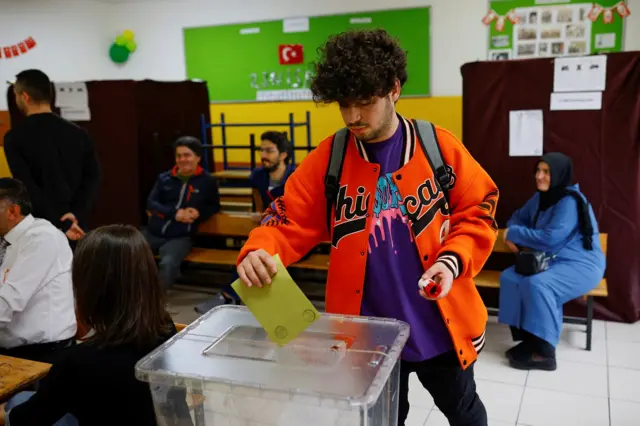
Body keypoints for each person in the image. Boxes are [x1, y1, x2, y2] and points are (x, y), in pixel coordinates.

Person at [235, 29, 499, 426]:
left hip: (441, 327)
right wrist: (259, 246)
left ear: (394, 89)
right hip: (367, 337)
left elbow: (479, 208)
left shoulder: (437, 146)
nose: (353, 116)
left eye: (365, 102)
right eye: (344, 104)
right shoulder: (331, 158)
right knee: (383, 421)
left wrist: (452, 260)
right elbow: (286, 217)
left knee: (465, 413)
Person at [0, 225, 182, 426]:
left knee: (16, 401)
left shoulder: (79, 362)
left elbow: (23, 420)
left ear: (89, 286)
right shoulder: (165, 329)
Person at [499, 152, 605, 371]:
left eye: (546, 172)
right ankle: (529, 340)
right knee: (510, 277)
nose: (539, 176)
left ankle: (545, 353)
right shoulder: (540, 198)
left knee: (538, 285)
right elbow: (517, 217)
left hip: (581, 265)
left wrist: (514, 233)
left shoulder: (569, 201)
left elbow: (550, 238)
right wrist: (514, 231)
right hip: (551, 262)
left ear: (559, 174)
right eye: (538, 171)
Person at [4, 69, 100, 242]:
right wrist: (74, 217)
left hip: (41, 231)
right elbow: (92, 179)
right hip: (77, 229)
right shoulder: (79, 134)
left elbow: (27, 187)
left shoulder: (14, 138)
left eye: (17, 95)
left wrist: (59, 223)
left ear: (25, 97)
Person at [0, 178, 76, 363]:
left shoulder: (42, 238)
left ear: (12, 211)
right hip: (13, 352)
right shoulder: (5, 239)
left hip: (43, 354)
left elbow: (10, 298)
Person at [143, 136, 221, 290]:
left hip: (180, 236)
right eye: (179, 156)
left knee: (168, 263)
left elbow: (214, 206)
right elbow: (151, 203)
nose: (182, 159)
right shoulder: (164, 178)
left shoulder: (208, 181)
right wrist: (175, 213)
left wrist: (199, 213)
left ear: (198, 158)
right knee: (128, 254)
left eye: (187, 155)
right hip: (154, 231)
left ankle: (155, 299)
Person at [249, 131, 296, 211]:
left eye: (269, 151)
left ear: (283, 155)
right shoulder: (257, 176)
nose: (263, 155)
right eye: (261, 150)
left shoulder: (296, 179)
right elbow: (259, 210)